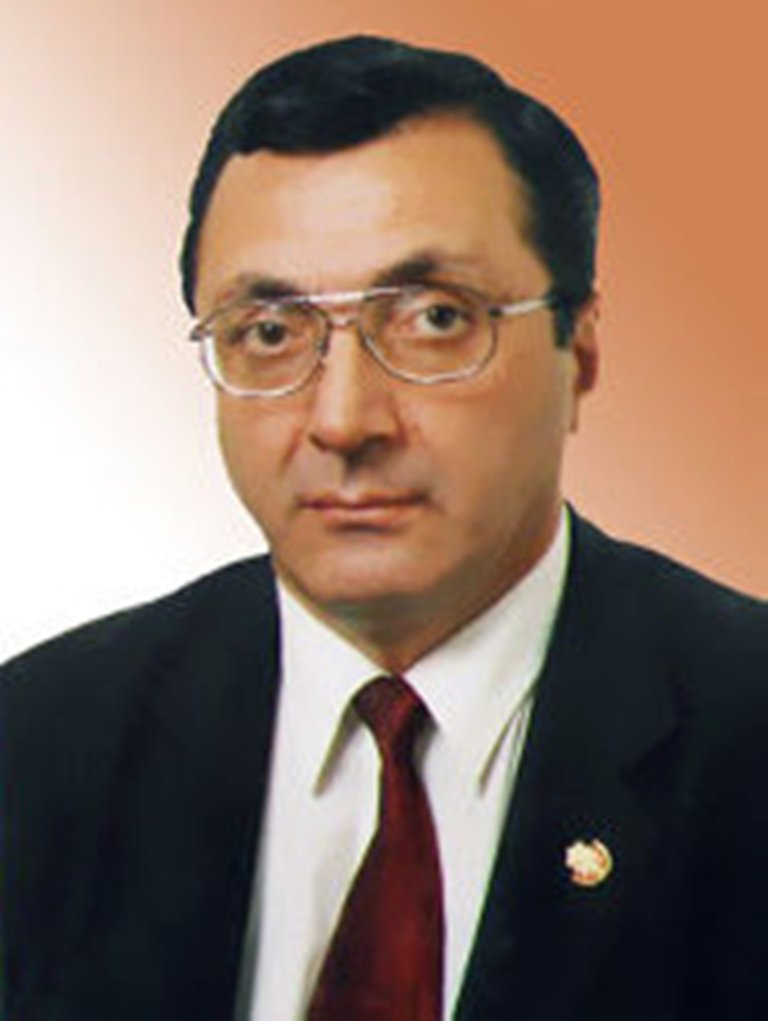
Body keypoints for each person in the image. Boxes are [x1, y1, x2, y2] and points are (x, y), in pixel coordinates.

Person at [1, 34, 767, 1021]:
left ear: (578, 349)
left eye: (434, 318)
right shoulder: (39, 745)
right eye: (270, 332)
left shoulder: (744, 733)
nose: (343, 420)